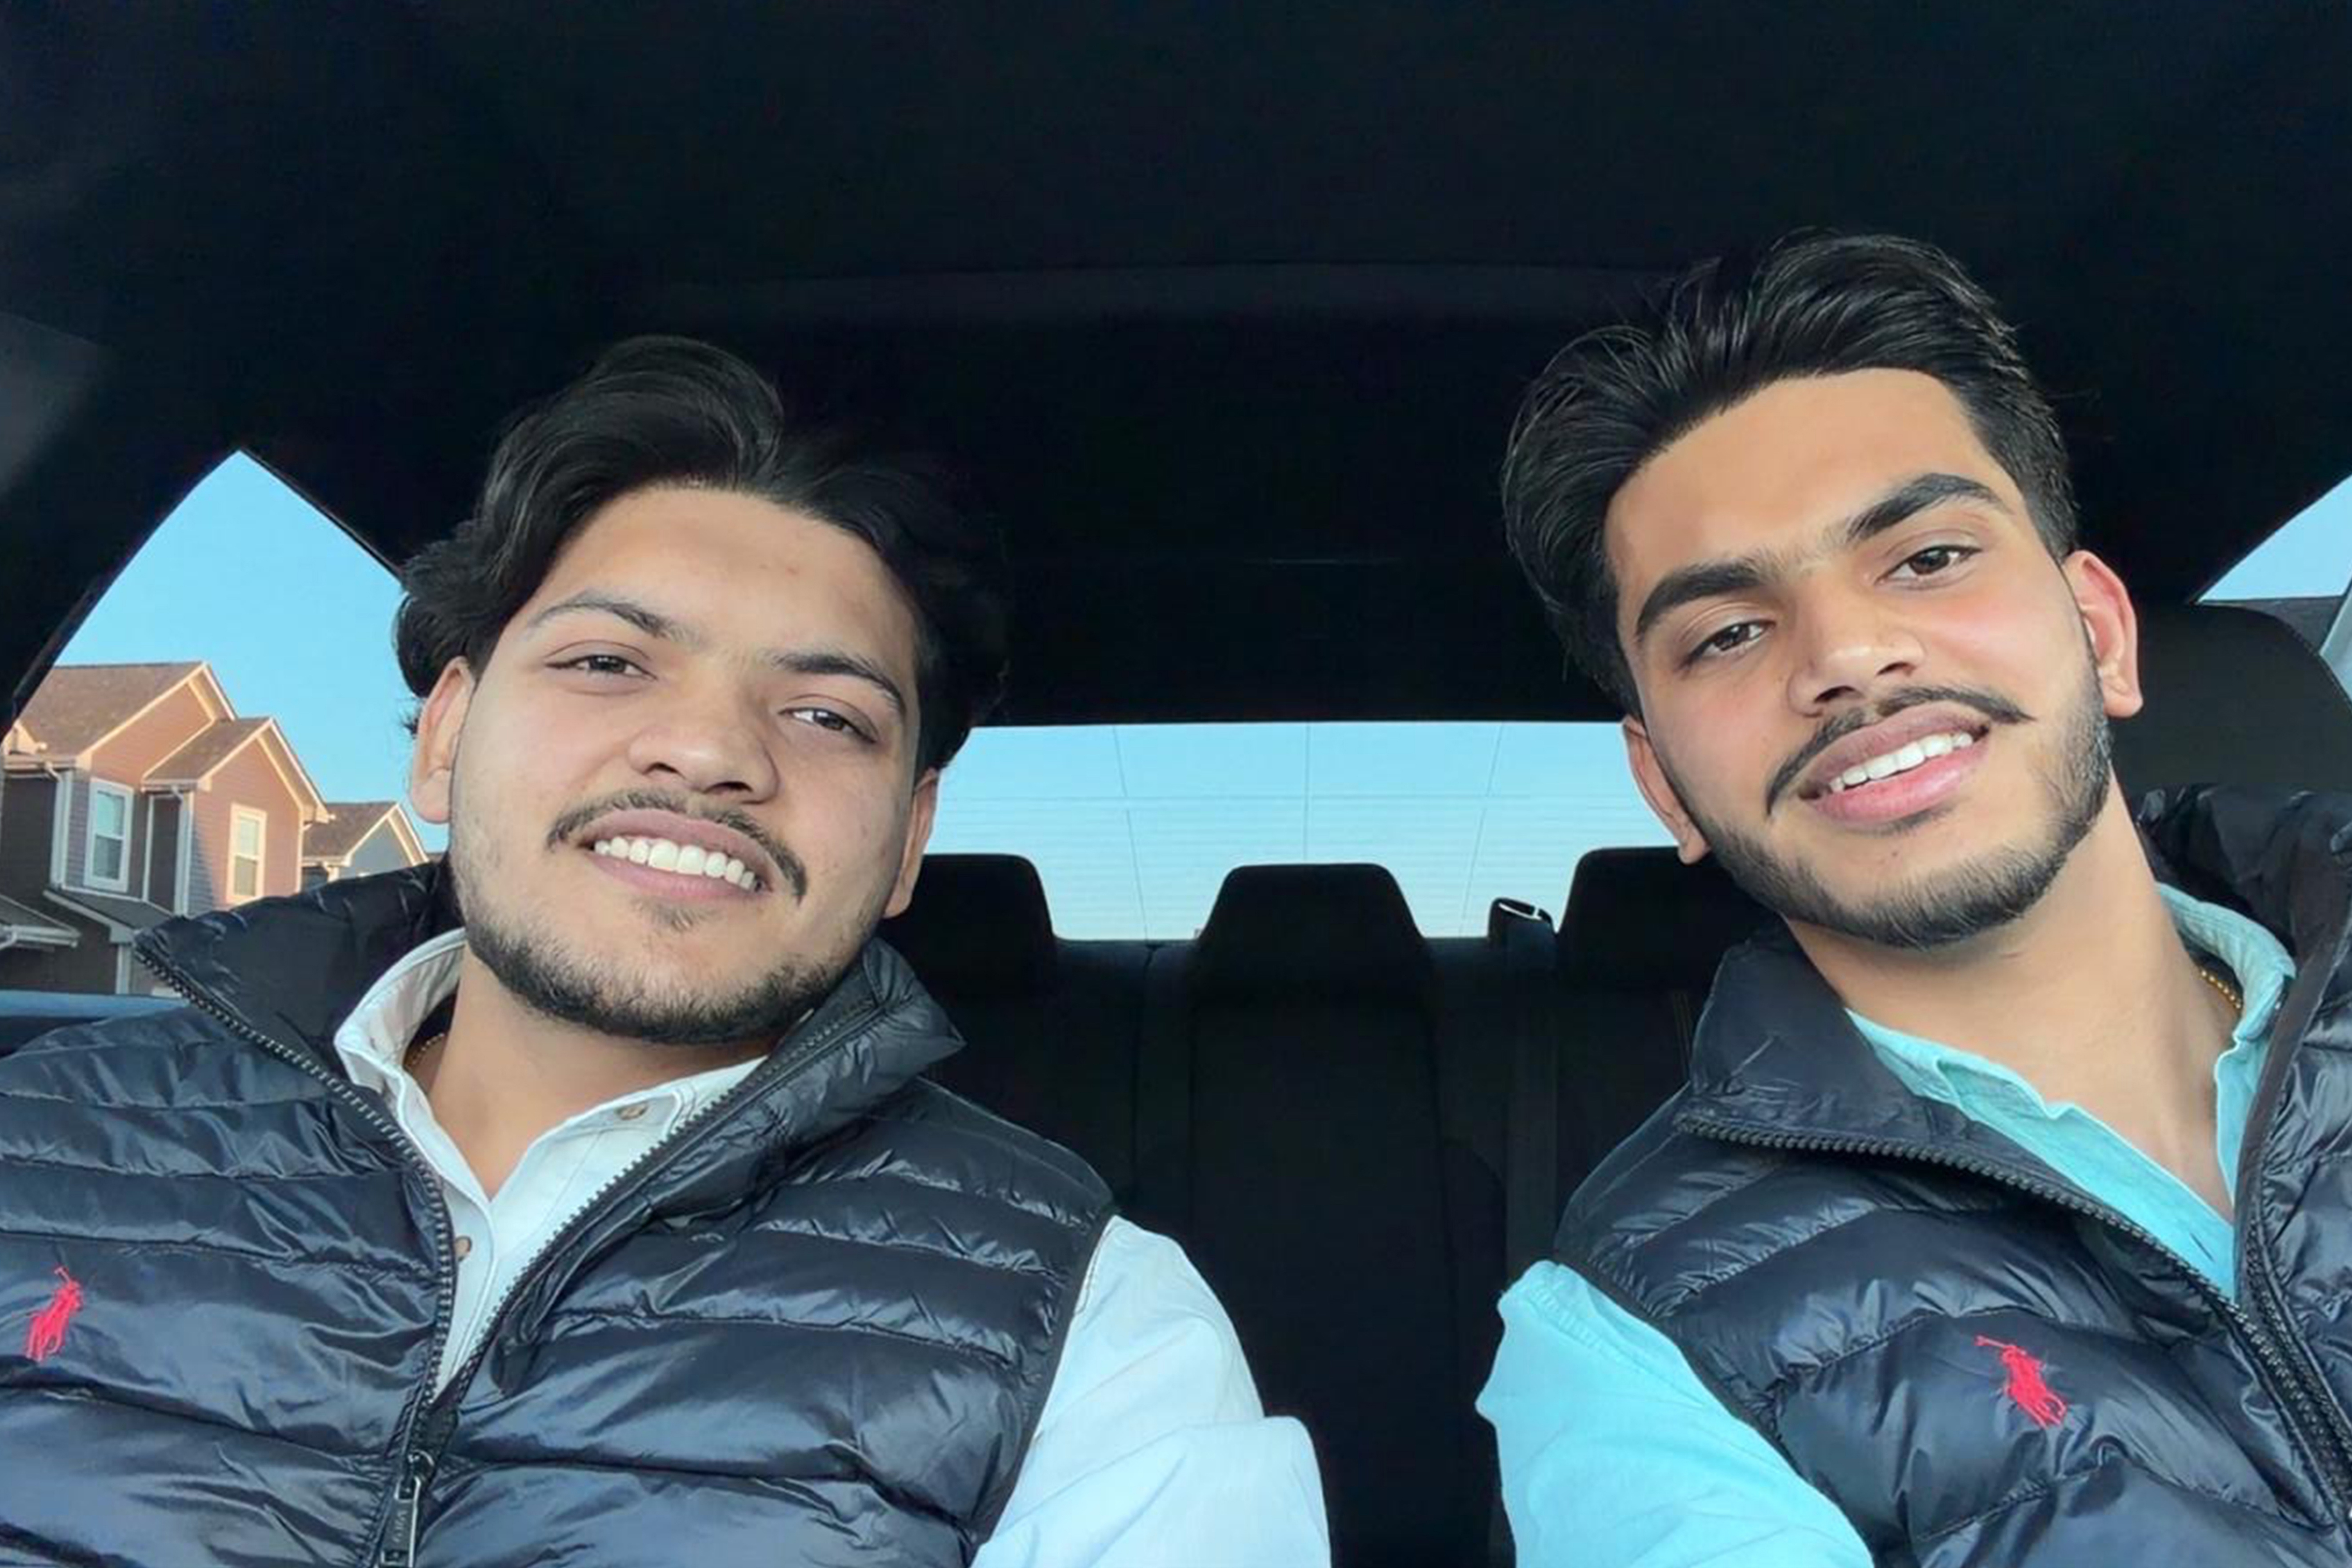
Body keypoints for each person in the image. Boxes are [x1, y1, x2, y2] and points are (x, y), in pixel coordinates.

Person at [0, 338, 1328, 1566]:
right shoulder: (38, 1143)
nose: (708, 751)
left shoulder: (1091, 1334)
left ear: (910, 839)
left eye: (826, 714)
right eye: (608, 663)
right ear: (445, 735)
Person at [1479, 234, 2352, 1564]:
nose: (1845, 654)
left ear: (2100, 634)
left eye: (1928, 557)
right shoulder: (1639, 1345)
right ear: (1665, 788)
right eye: (1726, 633)